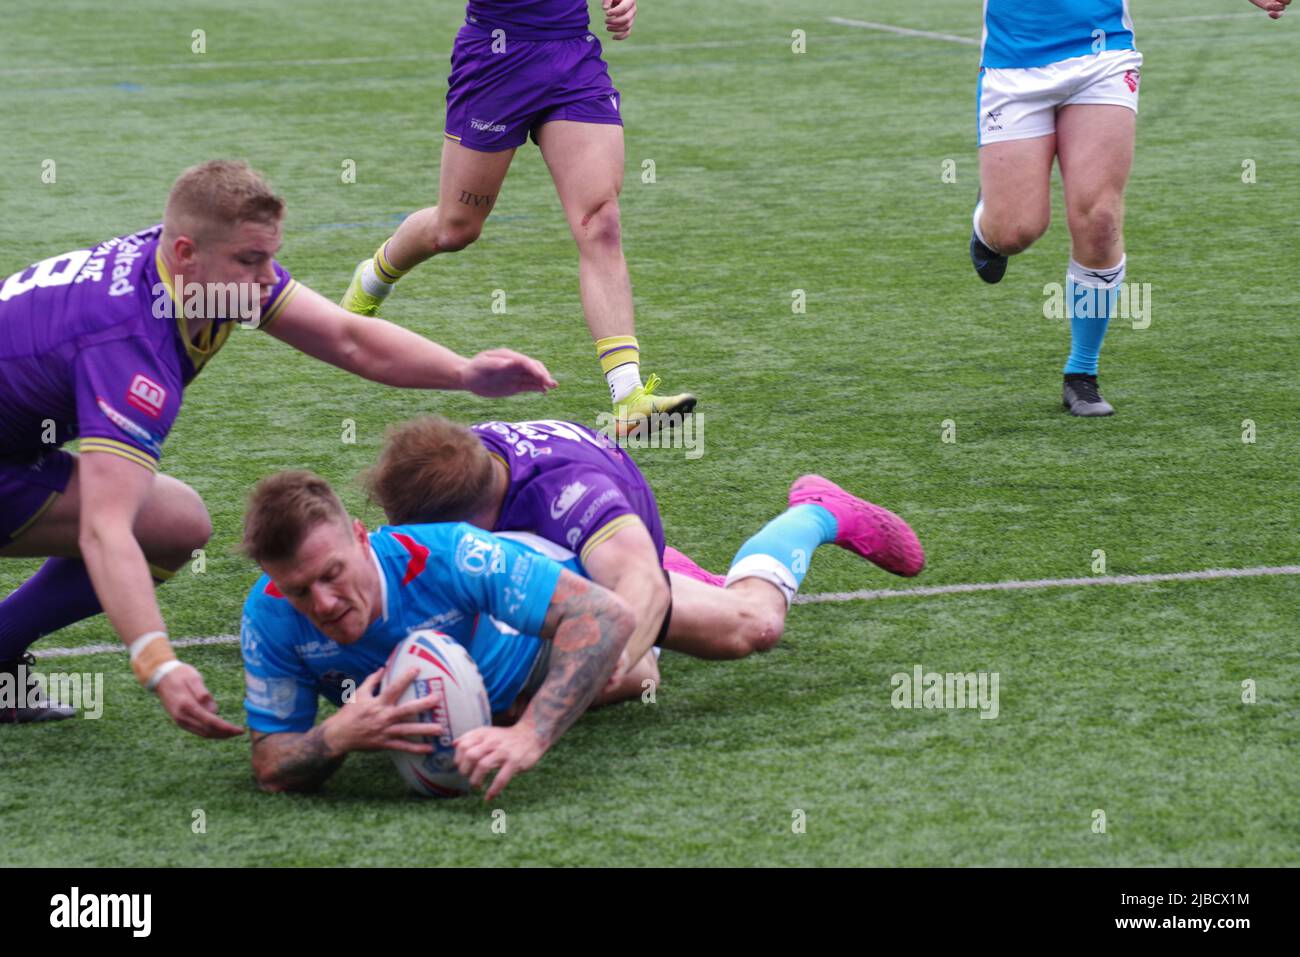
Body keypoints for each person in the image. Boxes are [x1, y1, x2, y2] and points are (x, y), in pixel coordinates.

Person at [0, 160, 556, 734]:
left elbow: (347, 338)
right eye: (251, 261)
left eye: (269, 256)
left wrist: (465, 373)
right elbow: (104, 530)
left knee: (176, 525)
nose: (269, 280)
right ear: (186, 253)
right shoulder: (130, 346)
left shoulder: (198, 273)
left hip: (14, 453)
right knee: (142, 524)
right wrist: (157, 661)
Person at [338, 0, 695, 434]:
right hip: (495, 59)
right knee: (454, 229)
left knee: (600, 223)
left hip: (571, 56)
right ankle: (373, 278)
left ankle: (628, 395)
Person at [362, 417, 926, 684]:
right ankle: (663, 569)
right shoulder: (452, 463)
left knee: (752, 627)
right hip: (599, 550)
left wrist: (610, 666)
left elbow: (641, 594)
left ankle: (815, 512)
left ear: (480, 517)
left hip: (620, 554)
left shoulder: (569, 497)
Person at [967, 0, 1290, 416]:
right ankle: (987, 221)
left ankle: (1081, 373)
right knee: (1015, 231)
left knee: (1099, 219)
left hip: (1104, 57)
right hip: (1012, 66)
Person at [238, 470, 633, 801]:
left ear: (361, 538)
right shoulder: (268, 615)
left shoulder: (450, 553)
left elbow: (607, 615)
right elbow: (270, 764)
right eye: (300, 591)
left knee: (636, 669)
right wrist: (334, 736)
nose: (322, 603)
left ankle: (672, 570)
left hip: (556, 600)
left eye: (331, 574)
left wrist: (530, 732)